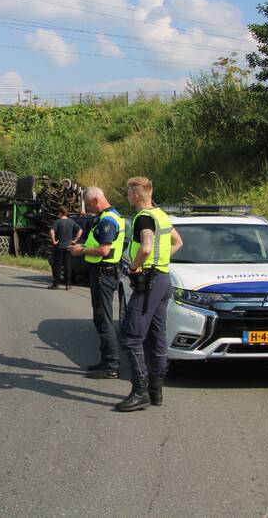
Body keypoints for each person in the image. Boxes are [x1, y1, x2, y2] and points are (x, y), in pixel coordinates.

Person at [116, 176, 183, 412]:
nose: (128, 197)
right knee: (157, 336)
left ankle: (140, 391)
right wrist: (160, 259)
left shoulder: (143, 218)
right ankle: (156, 392)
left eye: (128, 193)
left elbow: (145, 247)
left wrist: (134, 267)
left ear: (135, 195)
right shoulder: (161, 215)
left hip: (150, 282)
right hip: (163, 279)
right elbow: (178, 242)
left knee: (131, 336)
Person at [68, 187, 126, 379]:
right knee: (101, 317)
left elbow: (104, 250)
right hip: (105, 272)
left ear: (95, 201)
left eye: (89, 205)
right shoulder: (112, 216)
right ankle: (106, 361)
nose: (89, 210)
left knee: (104, 319)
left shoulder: (108, 220)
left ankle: (111, 365)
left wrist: (81, 250)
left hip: (104, 273)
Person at [48, 207, 82, 290]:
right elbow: (80, 230)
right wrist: (75, 240)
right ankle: (68, 285)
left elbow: (52, 231)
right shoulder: (71, 222)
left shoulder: (58, 222)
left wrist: (54, 241)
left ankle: (56, 284)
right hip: (69, 247)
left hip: (59, 246)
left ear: (60, 213)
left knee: (58, 265)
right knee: (68, 266)